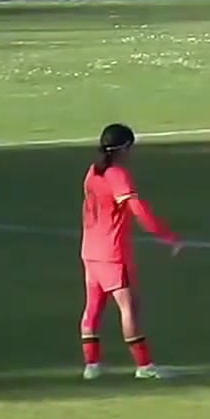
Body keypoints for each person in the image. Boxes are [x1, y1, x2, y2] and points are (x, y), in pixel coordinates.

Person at [80, 124, 183, 379]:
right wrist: (166, 236)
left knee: (93, 307)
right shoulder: (118, 175)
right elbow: (139, 210)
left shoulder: (93, 172)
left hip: (90, 250)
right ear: (124, 148)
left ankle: (92, 366)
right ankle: (144, 366)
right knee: (129, 308)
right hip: (113, 254)